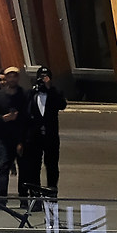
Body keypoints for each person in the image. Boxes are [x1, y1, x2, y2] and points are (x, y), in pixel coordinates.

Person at [0, 67, 33, 198]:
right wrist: (3, 118)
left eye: (14, 76)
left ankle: (23, 197)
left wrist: (22, 141)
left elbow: (27, 118)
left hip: (20, 139)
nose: (12, 79)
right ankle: (1, 196)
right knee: (3, 168)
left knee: (23, 170)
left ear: (18, 78)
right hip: (4, 139)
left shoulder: (24, 95)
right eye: (9, 76)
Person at [25, 65, 66, 196]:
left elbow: (62, 105)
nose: (43, 79)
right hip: (34, 136)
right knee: (34, 166)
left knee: (52, 165)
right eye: (41, 77)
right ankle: (35, 194)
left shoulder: (55, 93)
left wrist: (49, 88)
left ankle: (52, 191)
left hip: (51, 136)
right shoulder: (31, 94)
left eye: (46, 77)